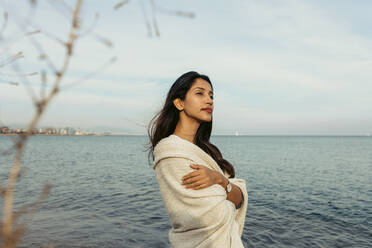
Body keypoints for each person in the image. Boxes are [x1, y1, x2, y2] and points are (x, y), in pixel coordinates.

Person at [148, 71, 248, 247]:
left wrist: (220, 180)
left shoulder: (207, 152)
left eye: (211, 95)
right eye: (200, 93)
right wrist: (229, 189)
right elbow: (211, 214)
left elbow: (240, 199)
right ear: (179, 103)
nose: (209, 100)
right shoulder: (170, 151)